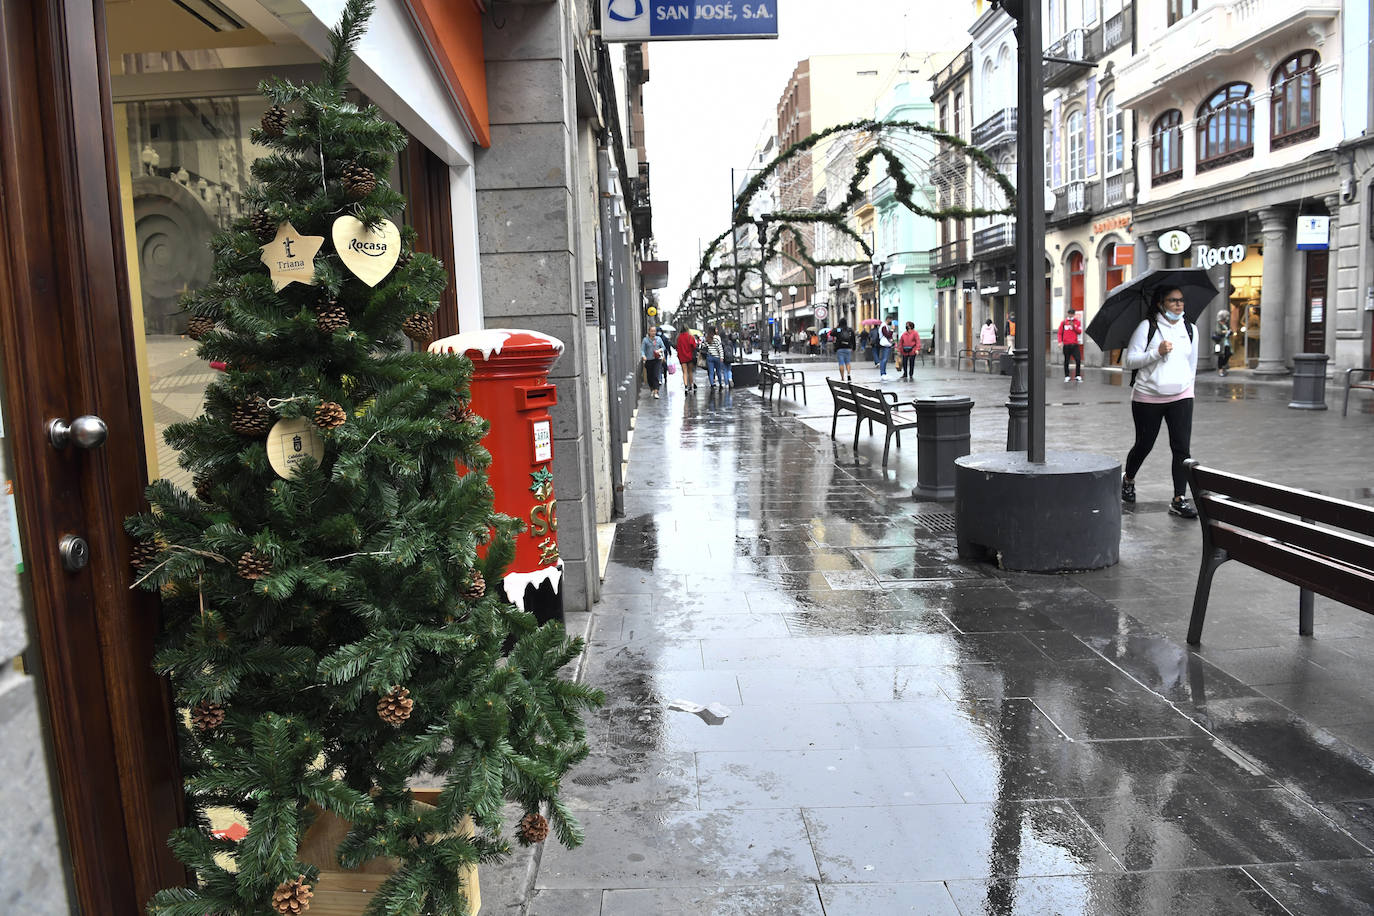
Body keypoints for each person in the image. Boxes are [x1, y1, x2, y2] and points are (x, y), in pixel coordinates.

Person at [1121, 287, 1199, 519]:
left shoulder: (1190, 329)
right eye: (1172, 300)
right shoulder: (1147, 327)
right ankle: (1128, 479)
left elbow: (1192, 365)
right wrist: (1157, 352)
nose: (1178, 305)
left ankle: (1178, 499)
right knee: (1144, 445)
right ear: (1160, 303)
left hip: (1181, 397)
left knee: (1182, 449)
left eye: (1181, 300)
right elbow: (1130, 361)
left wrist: (1188, 389)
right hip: (1148, 397)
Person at [1058, 310, 1084, 382]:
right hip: (1066, 344)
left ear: (1074, 314)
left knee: (1078, 359)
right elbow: (1060, 333)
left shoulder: (1077, 322)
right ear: (1068, 314)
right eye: (1069, 314)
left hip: (1074, 344)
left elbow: (1079, 332)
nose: (1071, 315)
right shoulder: (1063, 323)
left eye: (1072, 314)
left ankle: (1078, 375)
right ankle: (1067, 376)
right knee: (1066, 360)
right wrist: (1060, 342)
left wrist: (1073, 326)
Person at [641, 324, 665, 399]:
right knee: (649, 376)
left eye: (654, 331)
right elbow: (642, 350)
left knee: (656, 375)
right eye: (652, 331)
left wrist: (659, 350)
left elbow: (663, 347)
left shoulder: (658, 339)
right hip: (648, 360)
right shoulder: (645, 340)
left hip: (657, 360)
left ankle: (656, 391)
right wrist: (643, 356)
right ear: (649, 332)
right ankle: (652, 388)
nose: (653, 332)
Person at [676, 324, 699, 392]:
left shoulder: (678, 337)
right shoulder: (690, 337)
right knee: (690, 371)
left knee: (684, 372)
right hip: (690, 356)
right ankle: (691, 385)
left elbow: (677, 347)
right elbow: (694, 346)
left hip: (682, 357)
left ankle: (685, 385)